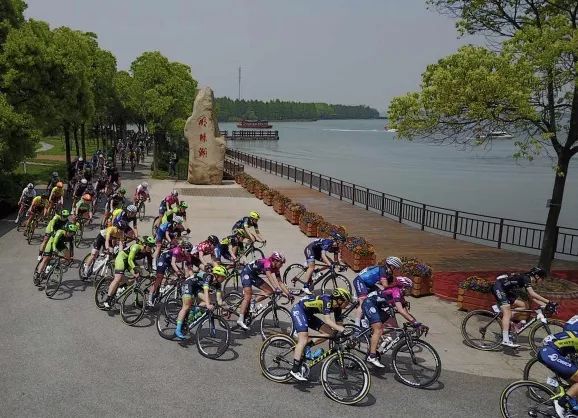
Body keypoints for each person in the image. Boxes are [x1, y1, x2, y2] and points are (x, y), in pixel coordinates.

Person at [289, 288, 351, 381]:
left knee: (331, 334)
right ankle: (294, 370)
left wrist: (347, 335)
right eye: (346, 302)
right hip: (299, 310)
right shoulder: (327, 300)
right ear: (339, 300)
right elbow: (328, 321)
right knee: (303, 339)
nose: (347, 305)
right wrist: (342, 330)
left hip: (308, 314)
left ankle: (307, 346)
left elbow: (339, 326)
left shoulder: (338, 308)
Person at [362, 276, 421, 368]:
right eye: (409, 288)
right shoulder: (396, 291)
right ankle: (372, 356)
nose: (410, 290)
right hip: (369, 303)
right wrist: (415, 323)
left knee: (386, 323)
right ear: (403, 287)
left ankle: (375, 340)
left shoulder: (401, 295)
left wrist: (417, 323)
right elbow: (401, 311)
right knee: (378, 329)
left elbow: (406, 312)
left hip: (377, 306)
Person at [491, 267, 552, 348]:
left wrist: (546, 305)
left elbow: (532, 297)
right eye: (542, 278)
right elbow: (533, 294)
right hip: (499, 287)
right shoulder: (526, 279)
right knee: (507, 312)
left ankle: (507, 319)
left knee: (524, 306)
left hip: (506, 290)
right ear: (537, 276)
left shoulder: (528, 280)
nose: (542, 281)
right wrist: (549, 302)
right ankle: (505, 340)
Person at [236, 252, 292, 330]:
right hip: (246, 273)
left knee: (269, 291)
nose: (282, 265)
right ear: (275, 261)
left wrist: (289, 294)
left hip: (254, 275)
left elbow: (280, 282)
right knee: (248, 295)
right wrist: (276, 288)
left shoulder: (276, 268)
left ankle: (253, 301)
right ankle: (240, 319)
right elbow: (269, 276)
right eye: (281, 263)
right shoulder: (267, 263)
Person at [537, 315, 578, 416]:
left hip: (549, 351)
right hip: (550, 353)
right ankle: (560, 404)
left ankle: (570, 405)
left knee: (574, 381)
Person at [174, 265, 228, 339]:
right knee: (186, 306)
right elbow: (206, 291)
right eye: (223, 277)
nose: (224, 279)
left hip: (197, 288)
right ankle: (177, 330)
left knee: (209, 302)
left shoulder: (218, 284)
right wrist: (208, 305)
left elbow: (219, 300)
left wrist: (226, 307)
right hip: (188, 284)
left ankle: (193, 312)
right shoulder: (209, 277)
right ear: (217, 275)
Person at [103, 236, 155, 309]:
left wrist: (151, 273)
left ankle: (120, 287)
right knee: (118, 278)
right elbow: (130, 259)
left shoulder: (148, 252)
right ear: (145, 245)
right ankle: (107, 300)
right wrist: (135, 268)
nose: (150, 248)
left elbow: (150, 264)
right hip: (122, 259)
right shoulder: (136, 247)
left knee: (135, 278)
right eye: (149, 246)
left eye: (152, 246)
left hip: (129, 263)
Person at [352, 256, 403, 328]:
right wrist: (397, 284)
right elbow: (385, 285)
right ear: (392, 266)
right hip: (360, 281)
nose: (397, 270)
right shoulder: (383, 270)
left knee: (379, 294)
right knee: (363, 302)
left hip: (369, 284)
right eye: (396, 268)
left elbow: (388, 289)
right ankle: (356, 325)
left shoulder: (389, 272)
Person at [148, 240, 194, 308]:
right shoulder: (177, 250)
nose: (189, 253)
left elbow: (188, 268)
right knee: (159, 278)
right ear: (183, 249)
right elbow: (173, 263)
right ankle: (149, 299)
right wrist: (178, 272)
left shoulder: (188, 255)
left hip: (170, 263)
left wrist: (190, 276)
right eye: (188, 251)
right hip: (163, 259)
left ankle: (165, 287)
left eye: (190, 251)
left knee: (181, 277)